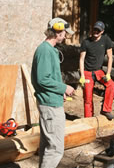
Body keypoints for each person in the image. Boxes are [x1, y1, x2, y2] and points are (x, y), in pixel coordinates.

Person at [31, 17, 75, 168]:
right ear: (57, 31)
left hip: (51, 101)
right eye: (64, 32)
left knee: (47, 146)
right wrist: (64, 88)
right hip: (50, 105)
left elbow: (50, 77)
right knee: (55, 149)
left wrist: (59, 91)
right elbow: (43, 79)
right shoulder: (44, 51)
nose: (65, 35)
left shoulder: (50, 50)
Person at [79, 21, 114, 120]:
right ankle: (88, 119)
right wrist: (82, 75)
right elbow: (81, 59)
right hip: (87, 72)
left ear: (102, 31)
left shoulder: (106, 40)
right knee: (88, 97)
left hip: (99, 71)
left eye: (98, 30)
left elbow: (110, 58)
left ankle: (106, 109)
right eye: (95, 29)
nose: (96, 32)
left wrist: (108, 74)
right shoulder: (86, 42)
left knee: (111, 84)